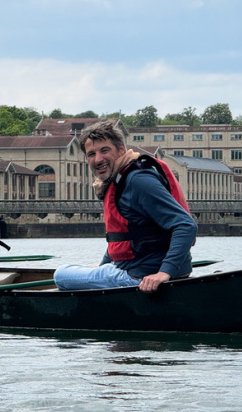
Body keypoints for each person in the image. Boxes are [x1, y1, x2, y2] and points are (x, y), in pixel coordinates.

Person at [54, 121, 197, 293]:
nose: (98, 159)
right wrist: (103, 267)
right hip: (139, 269)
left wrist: (164, 273)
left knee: (61, 275)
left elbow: (186, 225)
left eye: (104, 150)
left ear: (121, 149)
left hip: (139, 276)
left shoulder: (138, 180)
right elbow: (122, 237)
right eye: (91, 154)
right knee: (88, 271)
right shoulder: (120, 179)